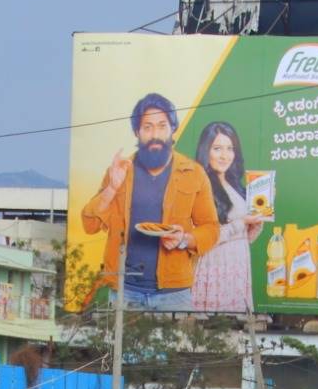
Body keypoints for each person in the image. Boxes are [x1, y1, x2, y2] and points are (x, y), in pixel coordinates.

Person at [81, 93, 220, 311]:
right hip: (123, 291)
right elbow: (89, 225)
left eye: (162, 126)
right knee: (118, 347)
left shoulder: (194, 173)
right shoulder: (120, 171)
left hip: (174, 294)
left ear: (172, 129)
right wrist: (111, 188)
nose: (155, 134)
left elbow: (211, 229)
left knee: (175, 347)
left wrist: (183, 239)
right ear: (137, 132)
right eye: (147, 127)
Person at [190, 122, 264, 312]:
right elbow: (199, 239)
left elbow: (240, 238)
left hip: (238, 268)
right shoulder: (199, 187)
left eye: (230, 149)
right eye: (217, 149)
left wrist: (254, 226)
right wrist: (240, 224)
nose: (225, 155)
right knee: (211, 331)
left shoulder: (236, 187)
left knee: (237, 332)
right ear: (206, 151)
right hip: (214, 268)